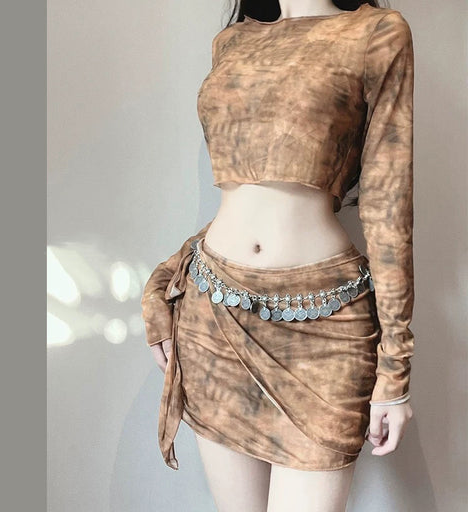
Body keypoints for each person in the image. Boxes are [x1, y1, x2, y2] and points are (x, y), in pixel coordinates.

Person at [141, 0, 415, 510]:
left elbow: (388, 201)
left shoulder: (377, 32)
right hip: (214, 315)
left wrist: (394, 370)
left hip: (326, 328)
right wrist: (165, 277)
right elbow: (243, 191)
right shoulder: (232, 42)